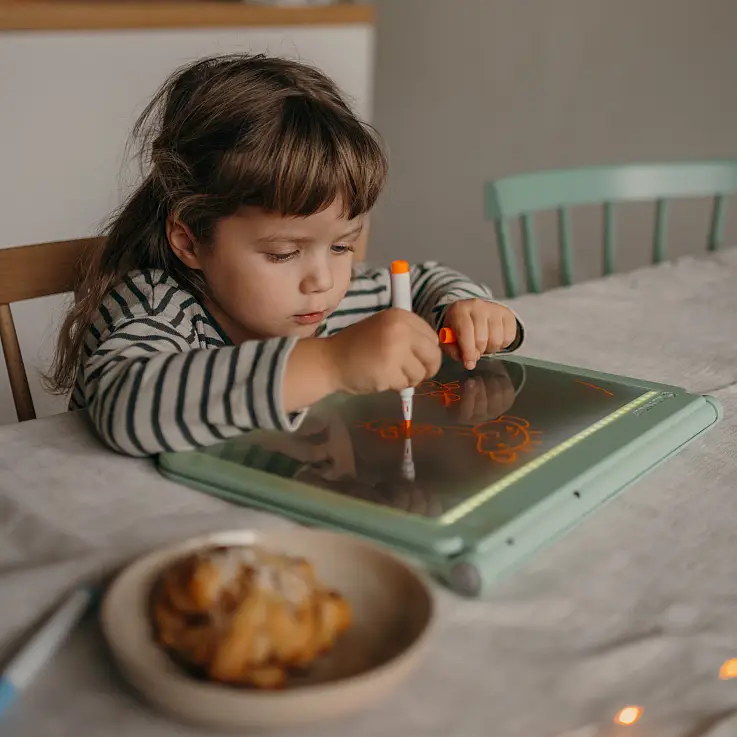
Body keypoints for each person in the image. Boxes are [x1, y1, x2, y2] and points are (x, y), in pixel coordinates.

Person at [47, 54, 524, 457]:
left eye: (341, 245)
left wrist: (465, 310)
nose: (323, 280)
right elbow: (126, 406)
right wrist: (329, 363)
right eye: (282, 253)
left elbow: (423, 283)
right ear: (190, 240)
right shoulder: (152, 307)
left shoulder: (337, 298)